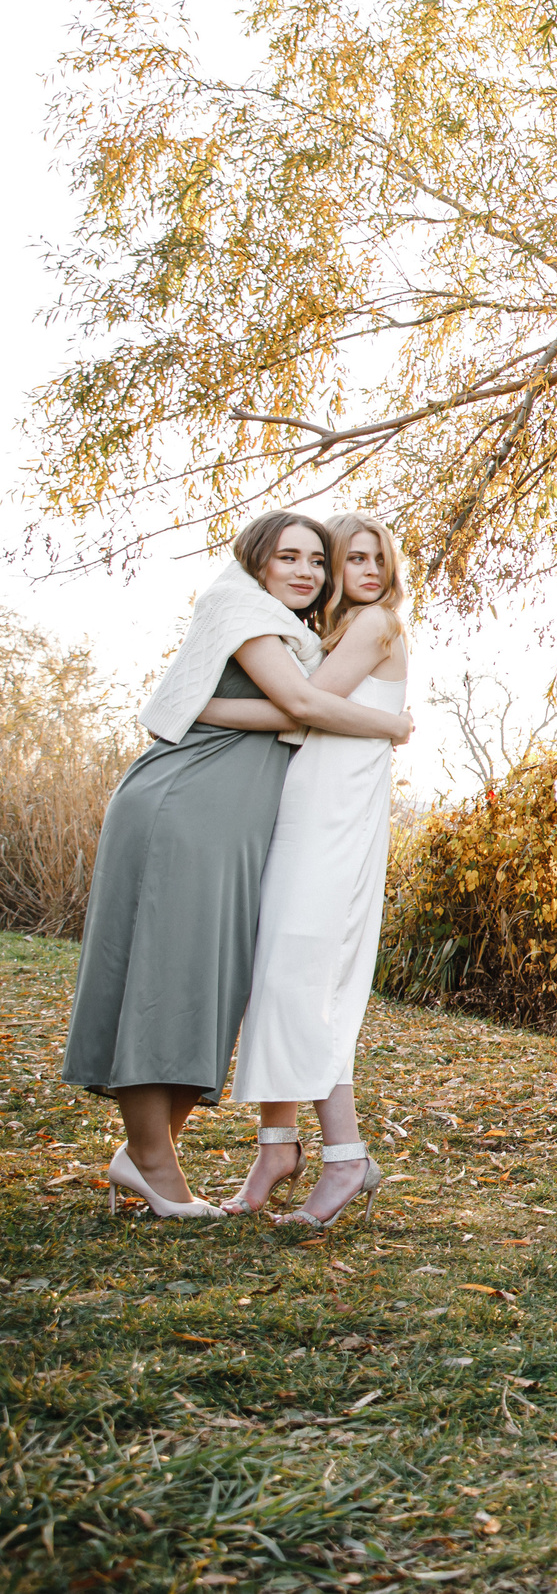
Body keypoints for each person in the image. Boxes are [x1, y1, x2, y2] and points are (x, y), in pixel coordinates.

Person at [61, 512, 415, 1218]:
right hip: (188, 807)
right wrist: (392, 725)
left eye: (318, 559)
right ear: (257, 561)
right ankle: (161, 1161)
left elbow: (288, 703)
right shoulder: (248, 610)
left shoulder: (311, 631)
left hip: (244, 823)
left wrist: (201, 706)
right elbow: (301, 704)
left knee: (216, 984)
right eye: (292, 557)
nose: (308, 571)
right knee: (170, 977)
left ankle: (163, 1150)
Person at [215, 512, 410, 1226]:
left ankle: (347, 1155)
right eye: (348, 559)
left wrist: (201, 708)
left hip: (336, 821)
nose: (366, 571)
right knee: (277, 973)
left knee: (308, 980)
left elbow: (296, 708)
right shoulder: (332, 627)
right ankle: (276, 1144)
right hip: (302, 817)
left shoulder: (374, 623)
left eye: (375, 557)